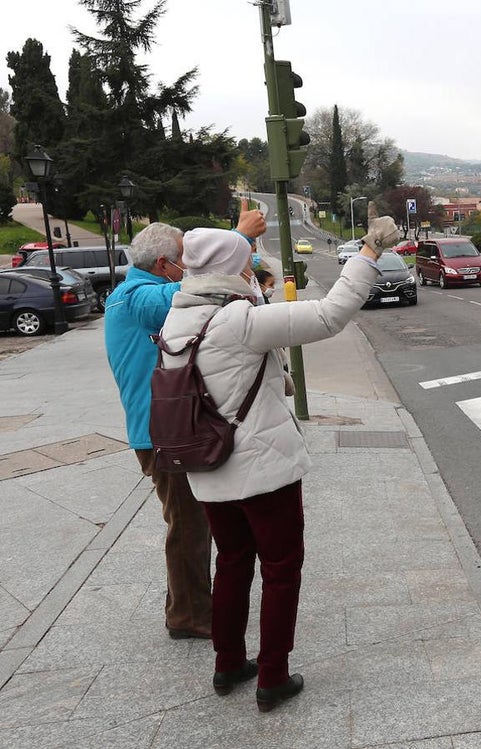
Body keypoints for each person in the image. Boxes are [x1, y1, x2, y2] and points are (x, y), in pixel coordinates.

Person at [158, 217, 401, 712]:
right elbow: (332, 314)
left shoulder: (178, 318)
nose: (251, 268)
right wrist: (370, 252)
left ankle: (228, 664)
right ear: (231, 269)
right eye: (245, 262)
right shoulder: (238, 322)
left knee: (230, 562)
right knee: (281, 567)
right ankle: (273, 675)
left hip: (207, 467)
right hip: (262, 470)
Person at [104, 210, 268, 640]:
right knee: (190, 527)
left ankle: (189, 606)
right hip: (163, 433)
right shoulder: (135, 296)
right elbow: (194, 292)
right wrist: (235, 239)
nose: (190, 268)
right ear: (163, 265)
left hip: (170, 428)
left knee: (195, 522)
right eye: (184, 260)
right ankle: (189, 616)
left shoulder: (144, 290)